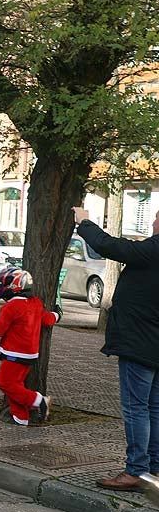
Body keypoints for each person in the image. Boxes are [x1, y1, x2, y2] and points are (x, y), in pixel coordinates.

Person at [75, 207, 159, 490]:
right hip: (153, 342)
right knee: (154, 408)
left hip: (140, 341)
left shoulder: (155, 248)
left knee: (136, 407)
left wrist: (85, 222)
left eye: (157, 217)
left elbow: (110, 246)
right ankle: (154, 470)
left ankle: (136, 470)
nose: (153, 221)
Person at [0, 267, 59, 425]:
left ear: (14, 286)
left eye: (3, 284)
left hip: (14, 353)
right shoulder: (35, 303)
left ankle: (39, 401)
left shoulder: (11, 307)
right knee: (16, 386)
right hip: (30, 354)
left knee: (4, 383)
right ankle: (20, 419)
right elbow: (48, 319)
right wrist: (57, 314)